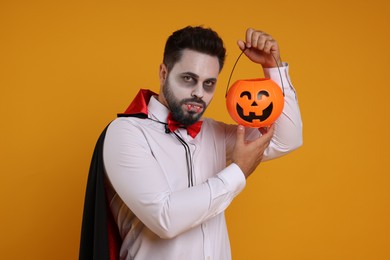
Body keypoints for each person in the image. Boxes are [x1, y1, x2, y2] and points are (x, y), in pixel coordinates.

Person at [80, 26, 302, 260]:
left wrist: (273, 68)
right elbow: (164, 218)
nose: (199, 93)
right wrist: (237, 172)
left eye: (208, 84)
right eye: (188, 79)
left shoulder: (214, 132)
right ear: (164, 73)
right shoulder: (126, 133)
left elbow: (287, 139)